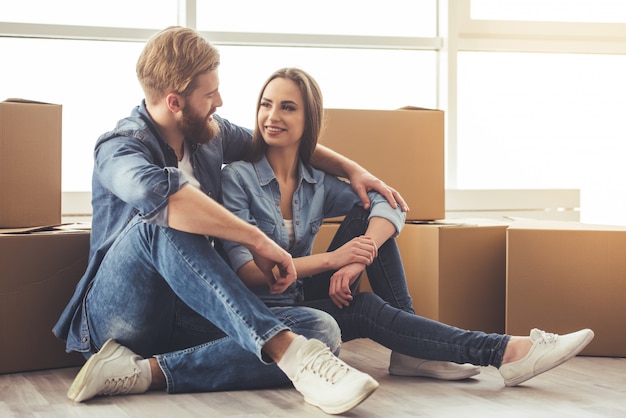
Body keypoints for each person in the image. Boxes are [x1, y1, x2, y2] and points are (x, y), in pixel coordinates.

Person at [52, 27, 409, 415]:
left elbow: (275, 140)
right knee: (163, 223)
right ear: (175, 102)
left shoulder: (208, 135)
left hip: (195, 312)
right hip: (123, 318)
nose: (220, 102)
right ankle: (287, 352)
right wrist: (256, 239)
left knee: (321, 328)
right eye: (209, 95)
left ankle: (144, 373)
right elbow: (167, 199)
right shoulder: (119, 147)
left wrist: (352, 169)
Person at [220, 67, 595, 387]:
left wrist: (356, 258)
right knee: (366, 306)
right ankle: (505, 351)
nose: (272, 116)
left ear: (308, 119)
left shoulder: (316, 182)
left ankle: (413, 351)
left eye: (287, 107)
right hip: (266, 313)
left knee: (369, 219)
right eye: (266, 105)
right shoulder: (236, 178)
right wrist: (333, 259)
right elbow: (249, 273)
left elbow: (390, 204)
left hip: (302, 292)